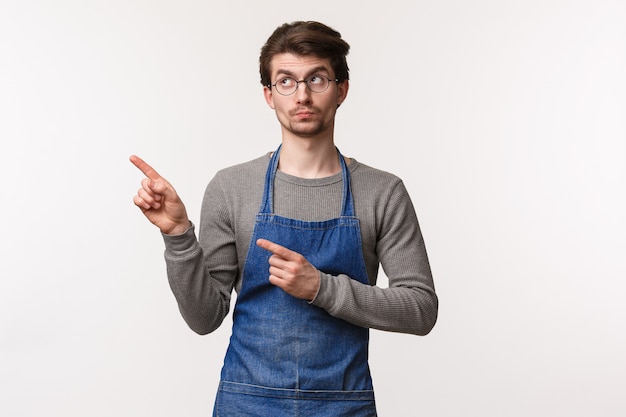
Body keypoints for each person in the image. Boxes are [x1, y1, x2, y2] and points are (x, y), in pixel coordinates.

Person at [131, 20, 437, 417]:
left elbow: (421, 308)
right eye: (287, 82)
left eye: (318, 79)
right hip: (246, 404)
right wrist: (177, 235)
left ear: (341, 89)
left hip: (343, 406)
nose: (303, 95)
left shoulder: (382, 191)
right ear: (269, 94)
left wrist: (321, 288)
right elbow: (205, 318)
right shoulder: (231, 187)